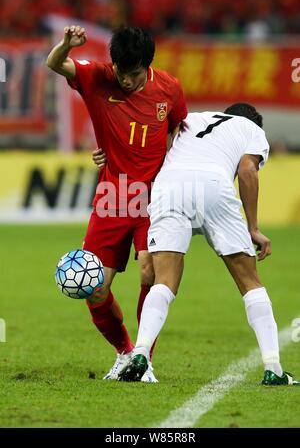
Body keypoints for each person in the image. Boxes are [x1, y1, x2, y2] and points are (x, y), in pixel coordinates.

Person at [118, 103, 299, 385]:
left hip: (170, 186)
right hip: (215, 186)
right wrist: (253, 227)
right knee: (250, 282)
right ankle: (273, 368)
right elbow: (248, 172)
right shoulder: (251, 130)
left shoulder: (190, 118)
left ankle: (140, 352)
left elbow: (152, 146)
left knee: (163, 282)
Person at [46, 26, 187, 382]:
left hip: (154, 197)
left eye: (134, 74)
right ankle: (124, 352)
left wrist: (170, 165)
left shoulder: (168, 87)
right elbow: (55, 64)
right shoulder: (98, 77)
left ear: (147, 66)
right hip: (112, 197)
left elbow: (178, 130)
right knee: (93, 286)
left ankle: (144, 358)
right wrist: (66, 44)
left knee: (149, 271)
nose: (125, 81)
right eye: (121, 73)